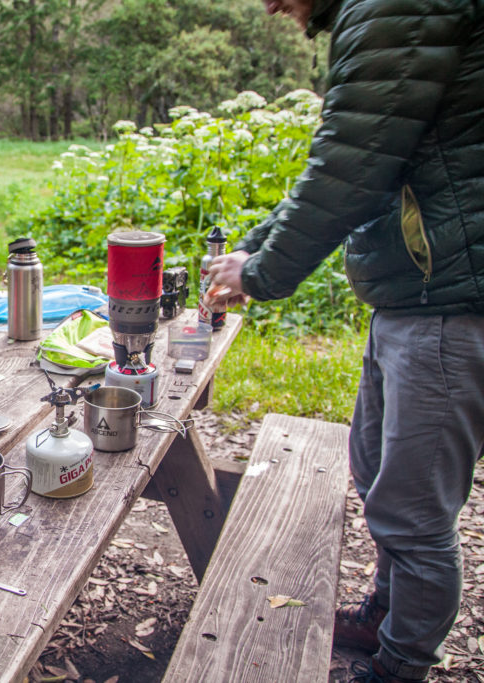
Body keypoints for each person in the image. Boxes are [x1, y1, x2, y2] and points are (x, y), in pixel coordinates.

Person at [205, 2, 483, 681]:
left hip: (451, 301)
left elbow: (350, 170)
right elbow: (354, 156)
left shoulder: (398, 4)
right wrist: (255, 244)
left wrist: (263, 272)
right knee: (375, 469)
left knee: (415, 513)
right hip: (416, 294)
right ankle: (385, 615)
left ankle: (401, 665)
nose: (270, 5)